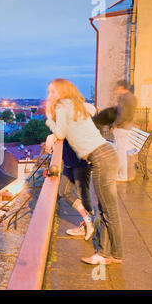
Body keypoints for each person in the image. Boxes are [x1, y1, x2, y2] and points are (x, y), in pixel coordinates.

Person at [45, 78, 123, 265]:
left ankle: (109, 255)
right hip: (106, 154)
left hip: (101, 157)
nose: (50, 96)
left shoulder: (63, 105)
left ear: (62, 92)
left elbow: (61, 133)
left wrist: (49, 121)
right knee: (107, 210)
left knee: (108, 211)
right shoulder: (77, 104)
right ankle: (111, 254)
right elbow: (91, 112)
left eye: (53, 92)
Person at [46, 128, 95, 240]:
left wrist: (52, 136)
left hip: (81, 159)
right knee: (64, 192)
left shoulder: (77, 112)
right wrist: (52, 136)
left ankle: (87, 225)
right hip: (70, 159)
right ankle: (88, 222)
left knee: (83, 195)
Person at [112, 80, 137, 182]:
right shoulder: (131, 97)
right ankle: (122, 174)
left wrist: (115, 125)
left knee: (121, 152)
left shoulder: (125, 98)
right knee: (120, 151)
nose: (116, 90)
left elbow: (123, 114)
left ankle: (123, 175)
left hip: (122, 128)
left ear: (122, 87)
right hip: (126, 126)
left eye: (117, 88)